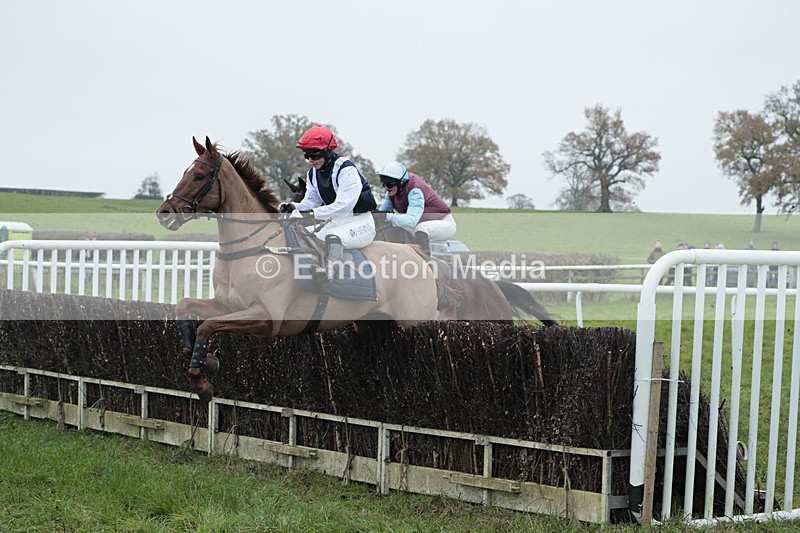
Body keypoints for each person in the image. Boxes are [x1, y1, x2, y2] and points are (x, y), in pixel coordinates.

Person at [279, 125, 377, 281]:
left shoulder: (346, 170)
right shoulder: (312, 174)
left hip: (361, 223)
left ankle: (329, 275)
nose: (310, 160)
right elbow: (311, 202)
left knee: (333, 237)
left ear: (327, 151)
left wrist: (311, 213)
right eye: (307, 155)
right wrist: (293, 207)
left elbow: (343, 207)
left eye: (314, 155)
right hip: (336, 223)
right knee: (299, 235)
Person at [374, 161, 456, 254]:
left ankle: (425, 259)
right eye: (383, 184)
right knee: (396, 228)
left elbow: (411, 221)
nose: (386, 188)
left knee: (421, 229)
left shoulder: (415, 191)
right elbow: (381, 214)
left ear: (401, 182)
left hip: (444, 223)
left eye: (389, 184)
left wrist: (386, 216)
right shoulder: (391, 194)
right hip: (419, 223)